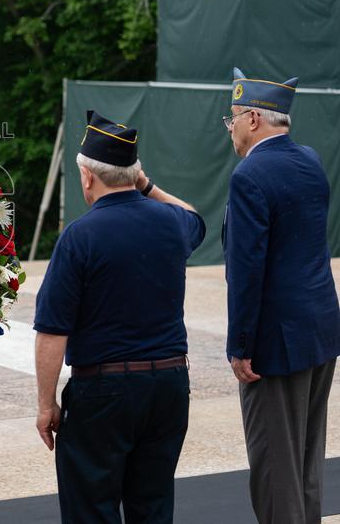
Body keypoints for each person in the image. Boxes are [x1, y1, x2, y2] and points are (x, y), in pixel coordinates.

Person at [34, 110, 205, 523]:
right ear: (133, 173)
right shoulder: (171, 224)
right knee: (153, 506)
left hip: (103, 391)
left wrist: (46, 403)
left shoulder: (80, 236)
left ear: (88, 177)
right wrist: (144, 184)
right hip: (167, 386)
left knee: (91, 508)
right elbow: (195, 218)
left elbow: (52, 331)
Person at [222, 68, 340, 524]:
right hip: (319, 330)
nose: (229, 128)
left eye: (231, 118)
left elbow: (247, 273)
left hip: (274, 341)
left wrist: (241, 346)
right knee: (308, 460)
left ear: (254, 118)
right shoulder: (310, 160)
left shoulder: (249, 175)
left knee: (275, 467)